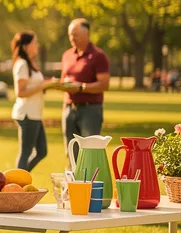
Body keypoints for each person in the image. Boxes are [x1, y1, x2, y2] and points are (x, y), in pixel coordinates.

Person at [57, 18, 110, 162]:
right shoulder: (67, 55)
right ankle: (73, 184)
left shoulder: (98, 56)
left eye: (76, 35)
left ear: (86, 34)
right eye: (70, 35)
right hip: (69, 109)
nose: (72, 38)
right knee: (71, 154)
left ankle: (91, 184)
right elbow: (63, 80)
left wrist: (80, 87)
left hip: (90, 110)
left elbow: (104, 84)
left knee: (90, 152)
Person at [11, 31, 52, 172]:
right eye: (34, 42)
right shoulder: (22, 64)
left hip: (35, 114)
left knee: (42, 151)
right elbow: (20, 92)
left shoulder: (31, 63)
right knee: (25, 153)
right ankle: (17, 186)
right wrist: (43, 85)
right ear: (25, 46)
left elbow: (34, 85)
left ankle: (21, 177)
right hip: (27, 114)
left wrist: (48, 84)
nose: (37, 45)